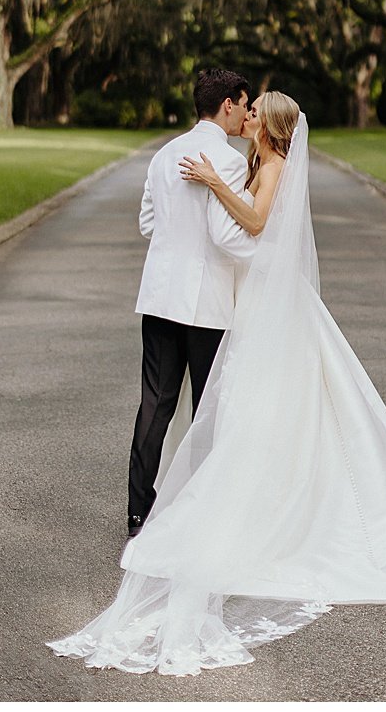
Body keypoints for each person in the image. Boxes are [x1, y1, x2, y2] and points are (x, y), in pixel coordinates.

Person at [49, 91, 386, 675]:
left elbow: (251, 223)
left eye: (254, 110)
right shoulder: (253, 162)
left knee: (255, 409)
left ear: (268, 124)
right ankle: (229, 503)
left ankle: (241, 511)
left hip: (263, 306)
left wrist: (214, 183)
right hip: (251, 302)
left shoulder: (267, 165)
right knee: (244, 409)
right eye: (244, 105)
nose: (245, 113)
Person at [127, 68, 253, 539]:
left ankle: (139, 511)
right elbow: (226, 233)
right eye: (244, 104)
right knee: (207, 408)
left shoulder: (163, 154)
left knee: (154, 406)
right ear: (227, 104)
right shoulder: (231, 161)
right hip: (207, 302)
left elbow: (146, 224)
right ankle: (206, 512)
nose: (246, 113)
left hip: (160, 295)